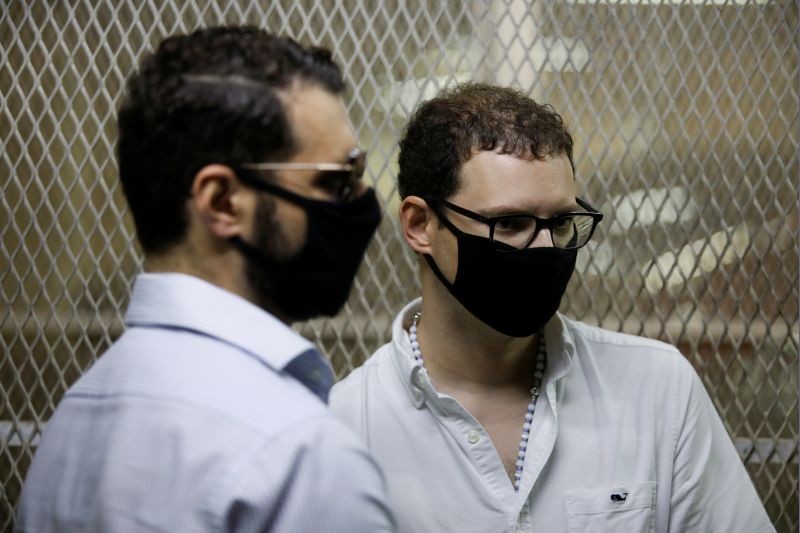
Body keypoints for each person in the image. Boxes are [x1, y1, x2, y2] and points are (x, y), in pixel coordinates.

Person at [330, 83, 774, 532]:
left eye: (560, 223)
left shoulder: (657, 389)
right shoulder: (347, 427)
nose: (545, 247)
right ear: (421, 225)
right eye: (510, 223)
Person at [16, 26, 394, 532]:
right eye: (335, 180)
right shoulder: (301, 455)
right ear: (221, 201)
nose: (363, 201)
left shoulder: (77, 415)